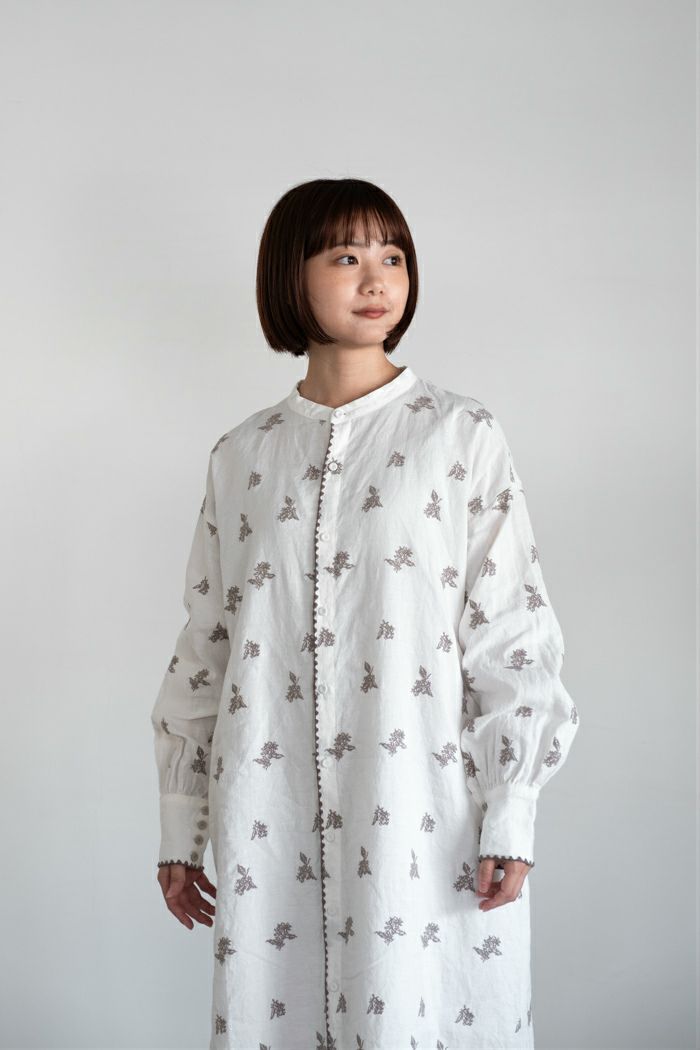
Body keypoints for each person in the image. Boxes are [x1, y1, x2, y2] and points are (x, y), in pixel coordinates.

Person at [150, 177, 579, 1050]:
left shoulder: (459, 435)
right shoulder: (243, 455)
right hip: (268, 820)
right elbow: (206, 646)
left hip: (423, 819)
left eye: (394, 256)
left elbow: (511, 632)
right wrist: (181, 823)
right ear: (291, 275)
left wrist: (511, 809)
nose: (378, 278)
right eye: (346, 257)